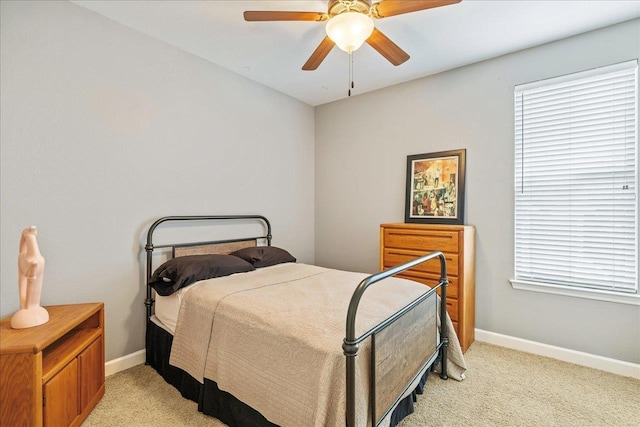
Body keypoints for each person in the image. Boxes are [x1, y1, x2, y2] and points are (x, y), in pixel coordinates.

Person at [11, 226, 49, 328]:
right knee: (24, 281)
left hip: (33, 264)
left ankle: (30, 306)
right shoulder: (24, 259)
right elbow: (21, 282)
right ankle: (27, 306)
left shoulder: (35, 259)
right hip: (30, 264)